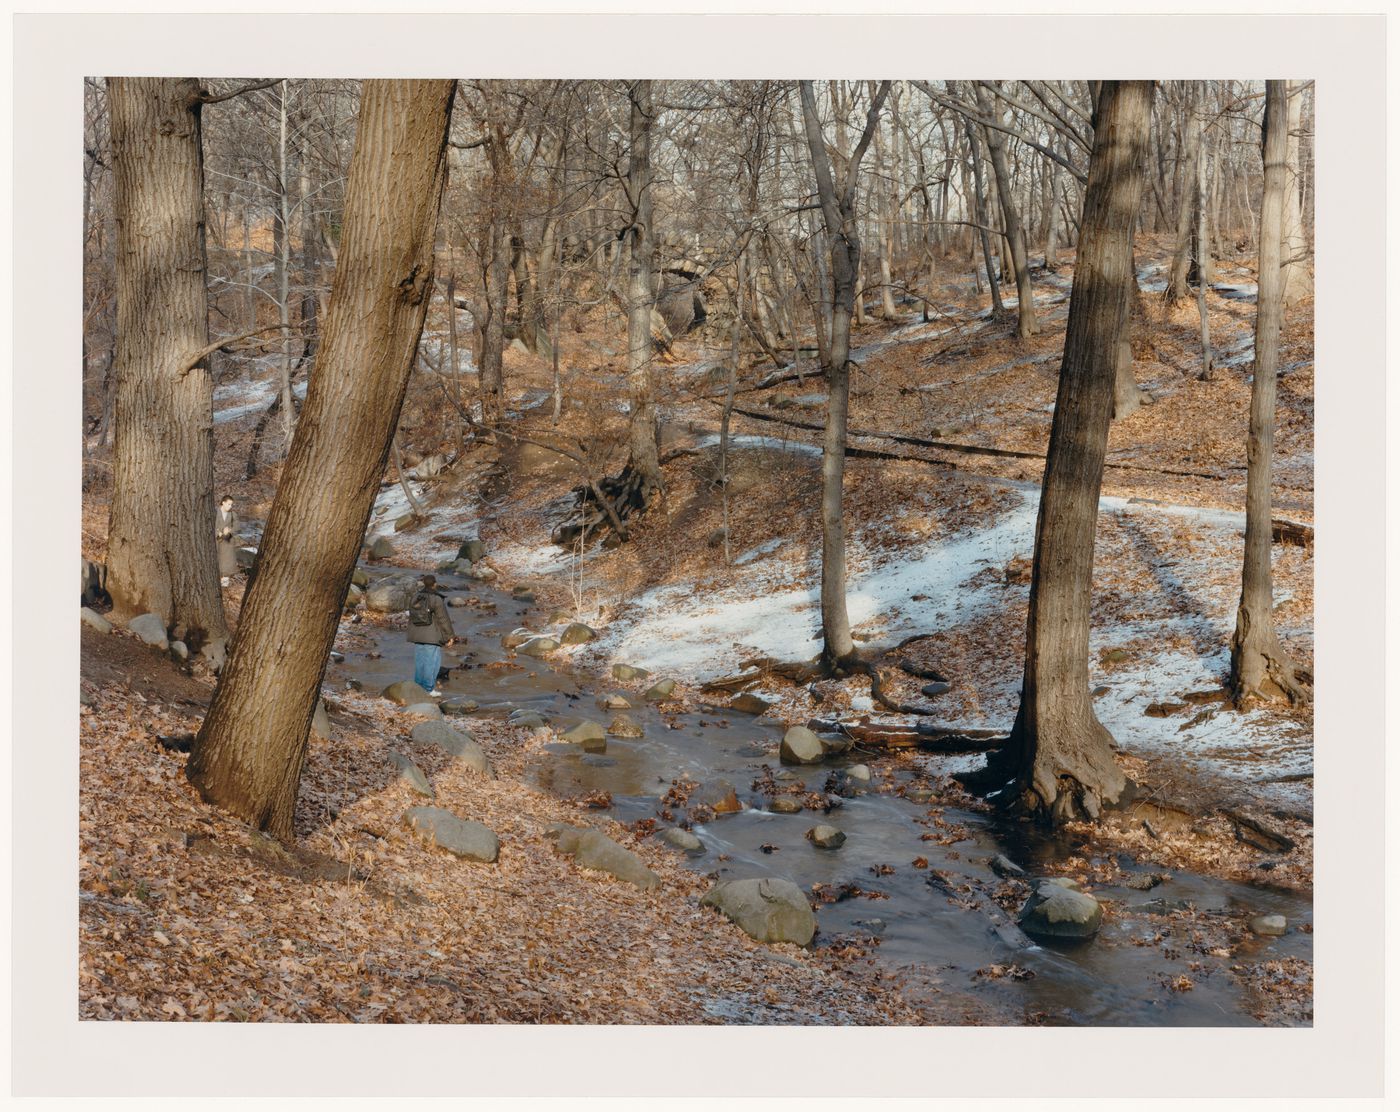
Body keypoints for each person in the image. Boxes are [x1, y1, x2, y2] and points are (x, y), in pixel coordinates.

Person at [407, 574, 455, 696]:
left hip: (417, 635)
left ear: (423, 583)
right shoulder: (436, 599)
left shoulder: (416, 596)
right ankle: (428, 689)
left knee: (420, 663)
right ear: (435, 584)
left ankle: (418, 688)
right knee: (432, 663)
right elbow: (443, 619)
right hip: (432, 636)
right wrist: (450, 636)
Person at [216, 495, 239, 587]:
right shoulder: (214, 512)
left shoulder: (233, 514)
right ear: (223, 503)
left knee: (226, 567)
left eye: (232, 504)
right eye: (229, 504)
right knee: (216, 565)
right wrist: (218, 533)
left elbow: (237, 526)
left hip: (228, 543)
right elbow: (208, 524)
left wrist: (230, 530)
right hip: (216, 542)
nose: (231, 506)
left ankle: (225, 588)